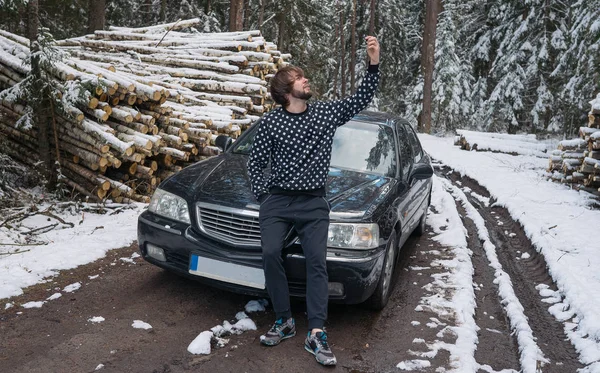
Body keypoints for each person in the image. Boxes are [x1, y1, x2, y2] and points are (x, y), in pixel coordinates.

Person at [247, 36, 380, 366]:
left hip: (313, 203)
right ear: (286, 92)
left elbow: (361, 97)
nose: (305, 79)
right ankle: (284, 320)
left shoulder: (324, 114)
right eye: (298, 78)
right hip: (277, 201)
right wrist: (264, 196)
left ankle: (317, 332)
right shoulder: (271, 123)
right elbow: (254, 162)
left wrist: (373, 63)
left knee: (316, 263)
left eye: (303, 76)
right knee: (269, 252)